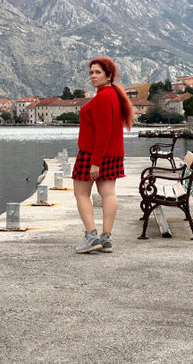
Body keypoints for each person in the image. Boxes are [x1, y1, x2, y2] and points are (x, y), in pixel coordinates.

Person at [72, 57, 134, 254]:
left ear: (109, 76)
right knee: (108, 194)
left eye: (97, 72)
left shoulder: (103, 97)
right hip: (112, 154)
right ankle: (106, 239)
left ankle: (91, 237)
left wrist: (95, 163)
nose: (93, 76)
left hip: (93, 155)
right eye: (91, 72)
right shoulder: (114, 95)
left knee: (81, 193)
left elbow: (103, 132)